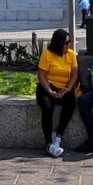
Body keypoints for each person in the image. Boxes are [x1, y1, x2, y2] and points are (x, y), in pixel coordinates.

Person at [36, 29, 79, 157]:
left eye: (70, 42)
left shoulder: (71, 54)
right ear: (59, 43)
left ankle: (58, 135)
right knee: (47, 108)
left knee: (71, 103)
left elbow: (74, 74)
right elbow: (41, 75)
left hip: (64, 88)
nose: (69, 45)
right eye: (67, 42)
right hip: (47, 87)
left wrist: (68, 89)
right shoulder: (47, 54)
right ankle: (48, 143)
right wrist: (50, 91)